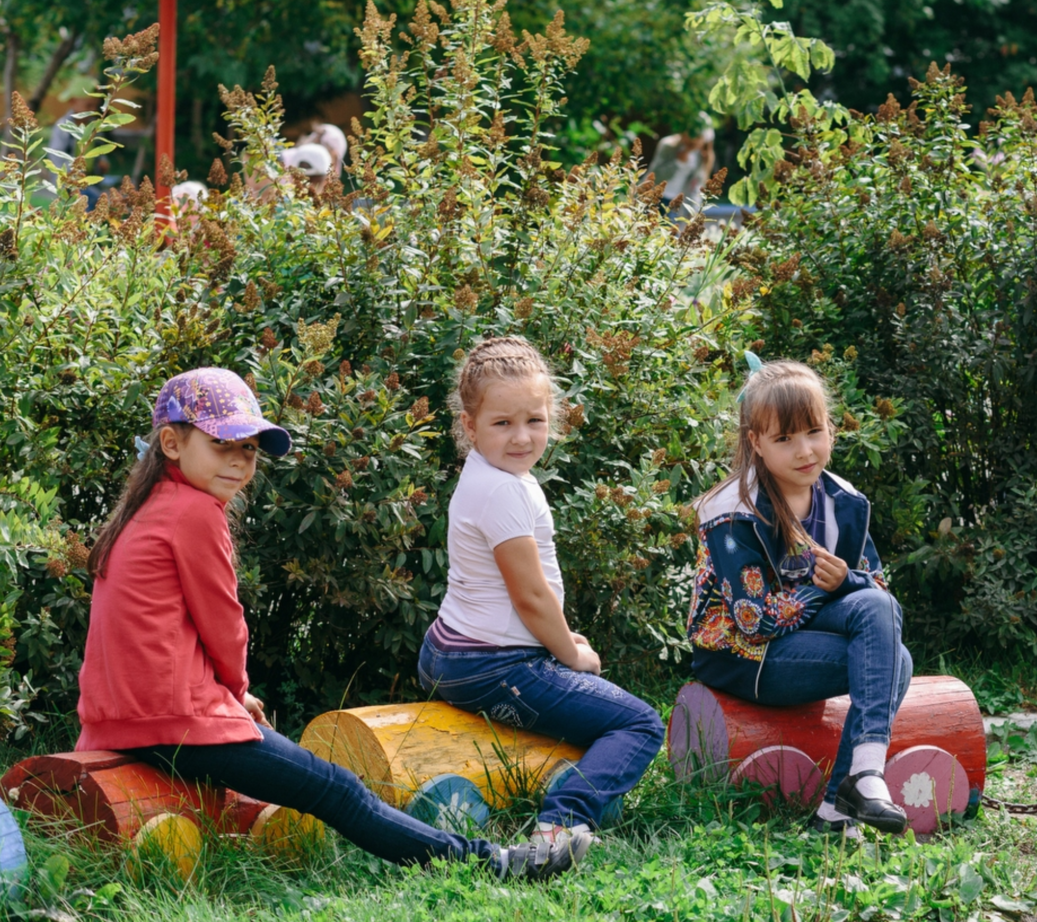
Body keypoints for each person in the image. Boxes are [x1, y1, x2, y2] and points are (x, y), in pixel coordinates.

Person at [77, 368, 582, 880]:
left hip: (120, 720)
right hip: (178, 719)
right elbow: (223, 623)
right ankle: (491, 864)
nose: (239, 460)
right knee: (336, 787)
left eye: (250, 449)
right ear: (171, 442)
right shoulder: (194, 513)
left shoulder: (145, 510)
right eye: (221, 443)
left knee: (284, 785)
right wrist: (235, 693)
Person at [417, 337, 665, 854]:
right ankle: (559, 824)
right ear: (469, 426)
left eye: (535, 420)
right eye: (502, 423)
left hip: (452, 649)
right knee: (639, 723)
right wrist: (570, 654)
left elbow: (527, 600)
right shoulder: (504, 490)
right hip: (493, 666)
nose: (522, 437)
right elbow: (529, 596)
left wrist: (555, 640)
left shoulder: (491, 474)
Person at [688, 355, 912, 837]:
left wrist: (846, 582)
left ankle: (857, 784)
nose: (804, 450)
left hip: (803, 638)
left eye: (813, 431)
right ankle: (843, 799)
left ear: (830, 429)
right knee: (895, 660)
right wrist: (821, 586)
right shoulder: (733, 512)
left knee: (882, 620)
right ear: (757, 444)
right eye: (784, 438)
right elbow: (753, 620)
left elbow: (876, 590)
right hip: (744, 657)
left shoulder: (842, 501)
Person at [647, 127, 715, 212]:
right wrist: (678, 161)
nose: (693, 140)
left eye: (698, 137)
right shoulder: (668, 145)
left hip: (674, 204)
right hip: (652, 197)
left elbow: (696, 185)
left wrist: (694, 211)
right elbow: (655, 176)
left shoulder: (701, 156)